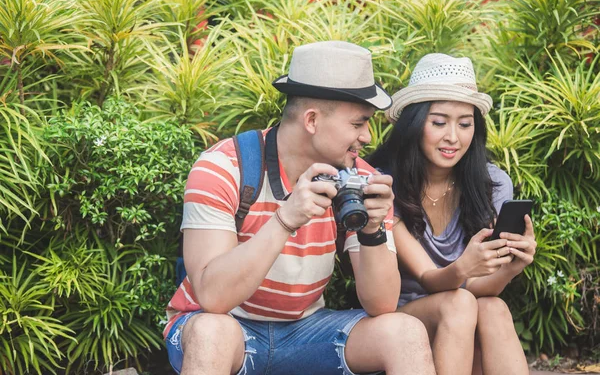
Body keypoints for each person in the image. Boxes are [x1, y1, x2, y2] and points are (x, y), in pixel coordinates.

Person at [163, 41, 436, 375]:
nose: (367, 136)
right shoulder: (223, 168)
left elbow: (381, 305)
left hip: (306, 330)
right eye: (358, 123)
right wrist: (285, 219)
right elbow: (212, 298)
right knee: (212, 331)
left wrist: (373, 231)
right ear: (311, 120)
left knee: (404, 332)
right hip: (226, 328)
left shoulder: (361, 178)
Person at [368, 53, 536, 375]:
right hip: (404, 321)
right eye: (439, 122)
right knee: (459, 304)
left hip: (463, 310)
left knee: (493, 308)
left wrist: (512, 267)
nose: (453, 137)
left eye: (465, 123)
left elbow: (480, 288)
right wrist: (464, 267)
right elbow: (430, 280)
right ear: (415, 124)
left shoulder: (492, 184)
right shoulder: (386, 185)